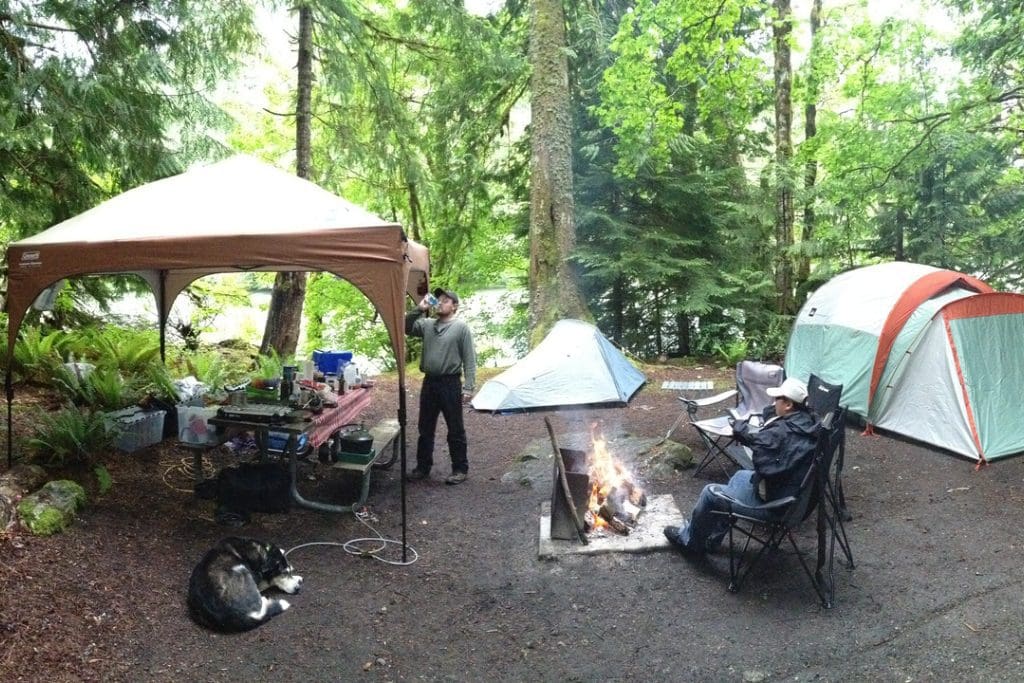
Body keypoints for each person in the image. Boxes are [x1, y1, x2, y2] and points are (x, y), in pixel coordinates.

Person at [663, 377, 820, 554]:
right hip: (797, 502)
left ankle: (690, 543)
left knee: (710, 492)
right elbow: (772, 447)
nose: (774, 402)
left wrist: (742, 431)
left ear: (789, 405)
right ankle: (712, 539)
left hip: (776, 506)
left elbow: (763, 461)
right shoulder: (808, 424)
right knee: (739, 476)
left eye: (777, 399)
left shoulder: (783, 432)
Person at [405, 287, 477, 485]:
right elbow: (405, 326)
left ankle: (460, 469)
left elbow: (470, 359)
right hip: (430, 382)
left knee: (455, 428)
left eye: (445, 300)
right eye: (438, 300)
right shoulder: (428, 325)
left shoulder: (461, 328)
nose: (440, 303)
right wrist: (420, 308)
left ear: (454, 306)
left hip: (450, 383)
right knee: (425, 428)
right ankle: (422, 467)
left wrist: (469, 387)